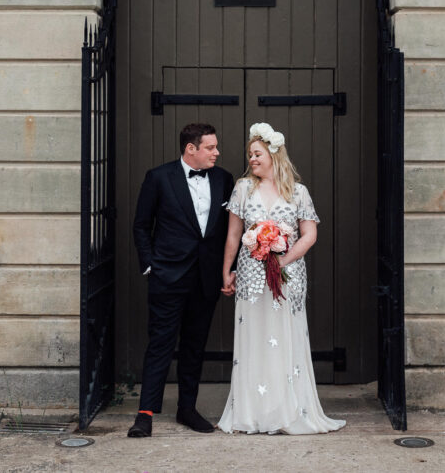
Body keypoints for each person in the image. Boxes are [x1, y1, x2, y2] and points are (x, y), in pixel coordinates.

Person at [218, 122, 345, 435]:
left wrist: (281, 261)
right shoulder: (243, 188)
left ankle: (287, 411)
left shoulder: (297, 192)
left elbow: (309, 234)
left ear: (274, 154)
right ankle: (252, 412)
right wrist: (226, 269)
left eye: (257, 153)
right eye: (250, 154)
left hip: (287, 278)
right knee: (254, 341)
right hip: (250, 276)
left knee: (284, 340)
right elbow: (234, 234)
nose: (252, 159)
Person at [128, 122, 235, 438]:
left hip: (206, 278)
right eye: (211, 147)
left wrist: (228, 269)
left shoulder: (224, 179)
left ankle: (187, 409)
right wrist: (150, 266)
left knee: (194, 346)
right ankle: (145, 415)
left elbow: (231, 228)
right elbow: (141, 225)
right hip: (168, 277)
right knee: (160, 344)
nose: (217, 152)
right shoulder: (159, 177)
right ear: (192, 148)